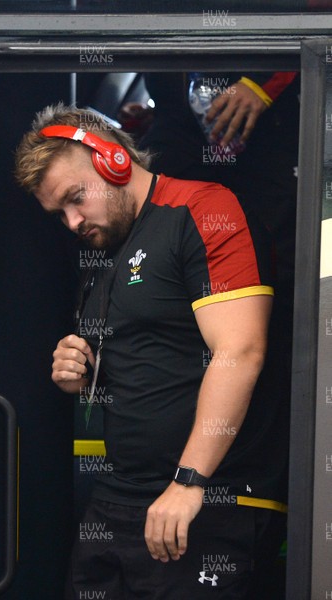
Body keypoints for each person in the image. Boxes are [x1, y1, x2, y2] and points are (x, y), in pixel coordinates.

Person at [15, 103, 287, 599]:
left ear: (113, 161)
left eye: (76, 199)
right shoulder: (105, 254)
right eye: (60, 214)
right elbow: (147, 355)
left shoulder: (206, 210)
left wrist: (188, 483)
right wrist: (79, 369)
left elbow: (240, 350)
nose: (72, 222)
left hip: (211, 502)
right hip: (120, 503)